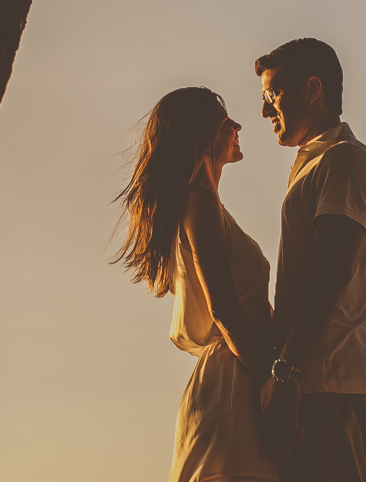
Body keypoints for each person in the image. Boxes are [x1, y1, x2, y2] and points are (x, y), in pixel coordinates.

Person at [115, 87, 280, 482]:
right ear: (202, 137)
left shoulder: (206, 203)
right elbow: (224, 308)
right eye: (226, 122)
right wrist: (275, 383)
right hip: (235, 385)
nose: (239, 126)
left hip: (237, 377)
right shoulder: (199, 202)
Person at [255, 38, 366, 482]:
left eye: (273, 96)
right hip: (308, 384)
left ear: (313, 89)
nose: (265, 112)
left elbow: (333, 269)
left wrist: (286, 373)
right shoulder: (311, 164)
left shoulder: (344, 160)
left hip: (330, 383)